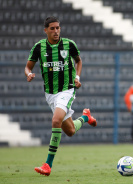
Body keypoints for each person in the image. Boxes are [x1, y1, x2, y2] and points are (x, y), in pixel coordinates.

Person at [24, 16, 97, 176]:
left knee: (56, 120)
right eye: (52, 28)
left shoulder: (69, 44)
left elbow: (78, 61)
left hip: (67, 89)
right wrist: (28, 74)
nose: (56, 31)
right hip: (50, 93)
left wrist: (77, 78)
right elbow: (28, 67)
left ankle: (48, 165)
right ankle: (85, 117)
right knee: (70, 131)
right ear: (46, 30)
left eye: (58, 28)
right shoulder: (39, 47)